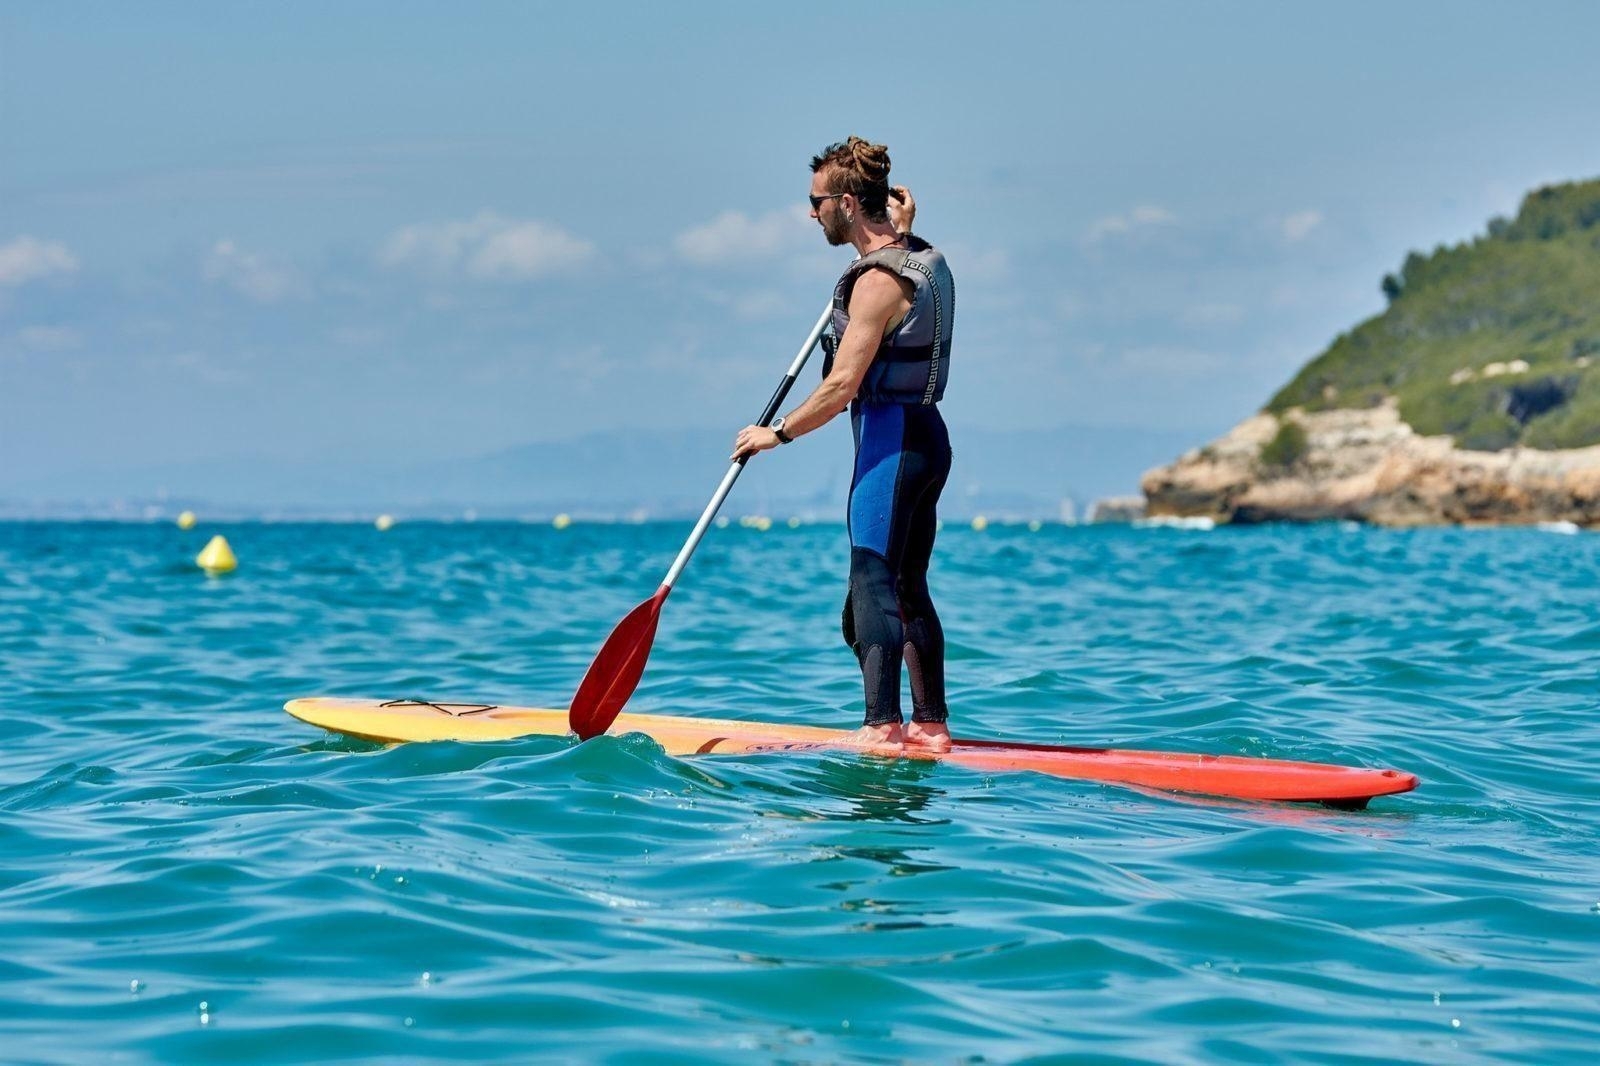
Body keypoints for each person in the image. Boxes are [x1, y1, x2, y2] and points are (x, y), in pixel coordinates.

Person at [732, 137, 955, 751]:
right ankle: (930, 727)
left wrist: (777, 432)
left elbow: (841, 386)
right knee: (907, 584)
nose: (812, 214)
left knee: (871, 581)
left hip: (890, 444)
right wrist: (902, 230)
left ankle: (881, 727)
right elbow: (899, 253)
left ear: (849, 204)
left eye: (818, 202)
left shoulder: (876, 283)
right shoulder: (922, 257)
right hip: (927, 438)